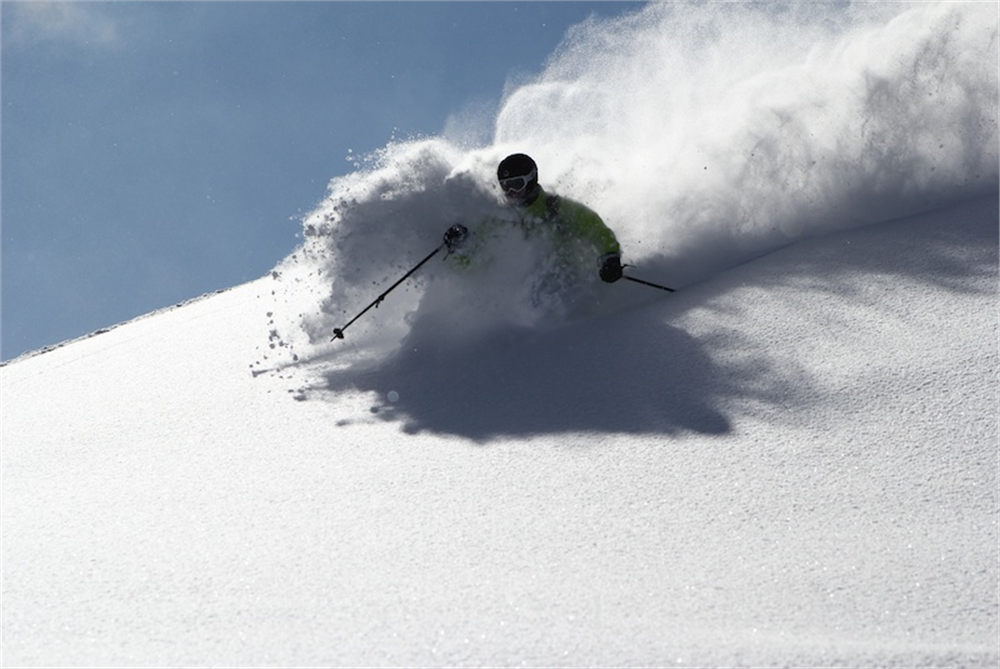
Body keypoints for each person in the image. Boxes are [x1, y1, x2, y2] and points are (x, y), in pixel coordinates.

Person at [444, 153, 624, 288]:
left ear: (531, 179)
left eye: (516, 184)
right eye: (505, 186)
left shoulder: (557, 209)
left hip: (569, 286)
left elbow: (595, 230)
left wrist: (610, 258)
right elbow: (471, 265)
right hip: (521, 298)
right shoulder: (499, 219)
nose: (511, 192)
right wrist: (457, 247)